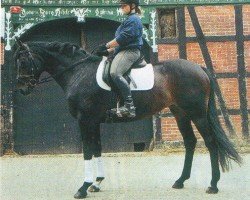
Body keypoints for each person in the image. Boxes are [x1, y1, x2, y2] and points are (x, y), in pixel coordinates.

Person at [96, 0, 143, 118]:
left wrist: (106, 45)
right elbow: (120, 44)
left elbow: (123, 38)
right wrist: (106, 51)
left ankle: (129, 106)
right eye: (121, 5)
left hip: (131, 52)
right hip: (124, 50)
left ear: (132, 6)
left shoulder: (134, 19)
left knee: (115, 73)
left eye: (124, 5)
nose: (122, 7)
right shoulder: (128, 20)